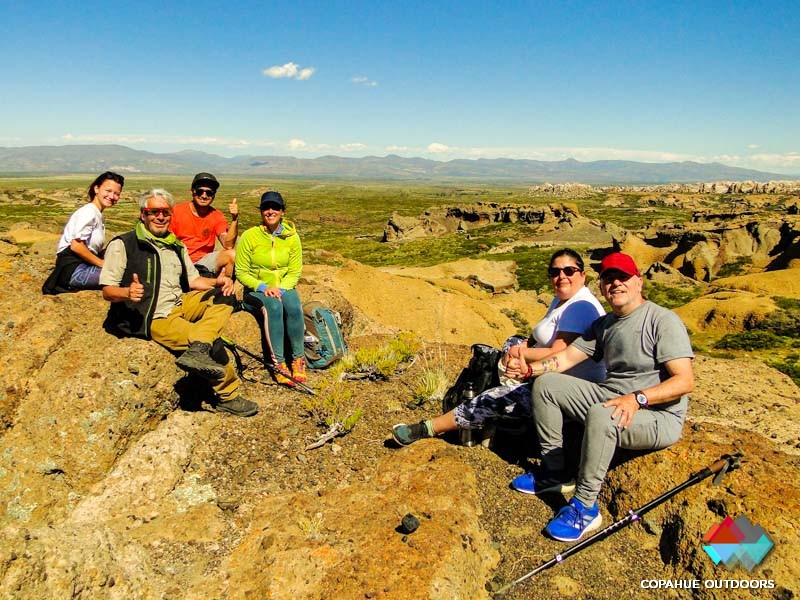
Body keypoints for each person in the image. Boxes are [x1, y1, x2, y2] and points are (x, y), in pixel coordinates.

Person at [509, 252, 694, 543]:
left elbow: (684, 381)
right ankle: (554, 473)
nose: (616, 283)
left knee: (602, 413)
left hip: (658, 415)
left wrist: (638, 399)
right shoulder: (605, 324)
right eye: (609, 278)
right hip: (613, 396)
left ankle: (585, 507)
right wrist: (530, 369)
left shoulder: (662, 320)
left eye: (623, 277)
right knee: (547, 385)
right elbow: (566, 357)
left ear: (638, 282)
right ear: (602, 287)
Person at [392, 248, 606, 446]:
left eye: (569, 270)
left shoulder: (580, 308)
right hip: (544, 372)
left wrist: (520, 354)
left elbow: (556, 353)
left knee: (491, 398)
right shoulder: (562, 299)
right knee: (511, 342)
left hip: (561, 386)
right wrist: (522, 345)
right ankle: (505, 412)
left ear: (582, 275)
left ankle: (428, 428)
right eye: (555, 271)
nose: (561, 276)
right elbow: (538, 335)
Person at [99, 188, 259, 418]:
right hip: (154, 314)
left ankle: (199, 346)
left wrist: (218, 281)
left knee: (227, 295)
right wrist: (126, 292)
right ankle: (228, 396)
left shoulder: (175, 245)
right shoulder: (124, 244)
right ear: (142, 215)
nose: (160, 217)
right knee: (212, 343)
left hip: (181, 302)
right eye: (153, 211)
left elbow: (193, 280)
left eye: (165, 212)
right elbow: (107, 290)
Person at [235, 191, 306, 387]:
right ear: (261, 211)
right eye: (266, 207)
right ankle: (279, 363)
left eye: (275, 207)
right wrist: (263, 286)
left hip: (283, 286)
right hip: (256, 290)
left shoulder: (292, 237)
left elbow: (294, 271)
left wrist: (281, 289)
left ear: (282, 211)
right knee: (273, 308)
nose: (270, 211)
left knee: (293, 305)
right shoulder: (250, 236)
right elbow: (241, 271)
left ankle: (298, 359)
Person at [42, 171, 124, 294]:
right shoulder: (89, 212)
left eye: (116, 193)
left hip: (82, 267)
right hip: (73, 270)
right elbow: (76, 246)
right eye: (108, 191)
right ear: (96, 188)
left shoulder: (97, 215)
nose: (112, 196)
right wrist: (102, 263)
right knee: (122, 276)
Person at [169, 172, 238, 277]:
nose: (204, 196)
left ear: (213, 195)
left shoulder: (216, 215)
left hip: (203, 263)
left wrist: (234, 219)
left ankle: (226, 290)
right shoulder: (177, 211)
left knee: (232, 254)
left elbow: (228, 245)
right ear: (192, 191)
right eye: (200, 191)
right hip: (179, 261)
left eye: (209, 193)